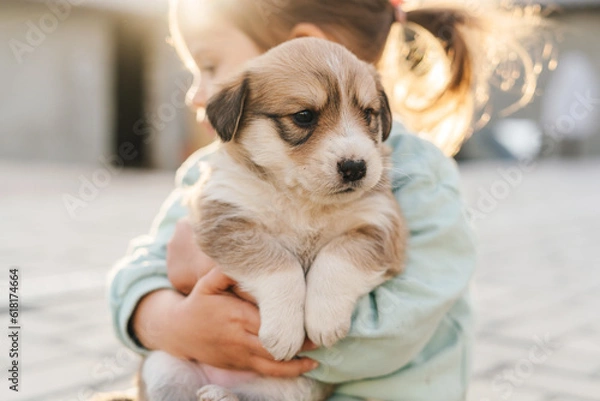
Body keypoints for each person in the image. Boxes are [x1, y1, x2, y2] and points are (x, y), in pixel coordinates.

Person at [108, 1, 545, 400]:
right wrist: (169, 324)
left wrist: (255, 329)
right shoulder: (213, 169)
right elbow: (141, 270)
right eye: (304, 119)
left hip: (379, 390)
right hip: (212, 376)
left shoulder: (419, 178)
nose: (196, 93)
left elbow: (403, 322)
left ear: (304, 45)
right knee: (162, 373)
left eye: (210, 65)